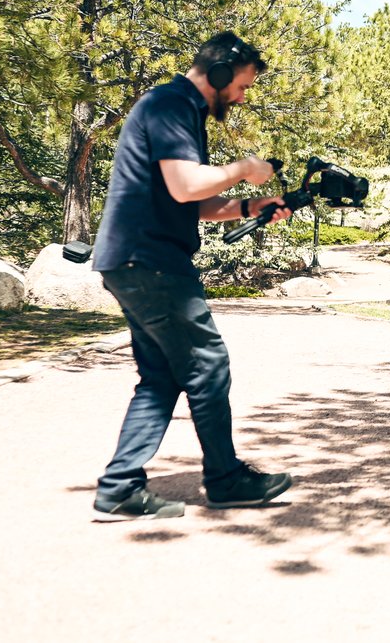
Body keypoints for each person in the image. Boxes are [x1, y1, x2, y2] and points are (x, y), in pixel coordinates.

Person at [90, 31, 295, 521]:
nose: (243, 96)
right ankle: (225, 480)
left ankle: (119, 488)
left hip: (135, 260)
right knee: (208, 364)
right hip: (152, 261)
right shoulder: (171, 104)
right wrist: (244, 167)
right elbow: (185, 186)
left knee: (161, 378)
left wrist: (250, 205)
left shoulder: (179, 110)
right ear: (221, 74)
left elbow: (194, 203)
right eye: (242, 86)